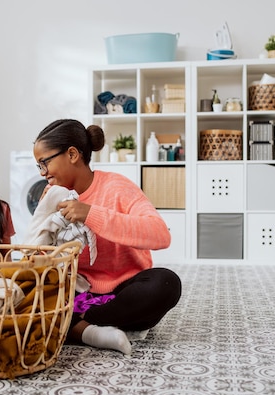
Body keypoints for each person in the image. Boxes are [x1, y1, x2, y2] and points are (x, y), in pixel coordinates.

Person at [32, 119, 182, 355]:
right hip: (76, 289)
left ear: (72, 154)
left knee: (166, 283)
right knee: (25, 290)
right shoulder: (52, 196)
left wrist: (91, 214)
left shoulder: (116, 187)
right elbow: (40, 247)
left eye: (45, 163)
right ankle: (90, 331)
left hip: (121, 292)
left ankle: (76, 324)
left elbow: (160, 235)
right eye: (38, 166)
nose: (43, 173)